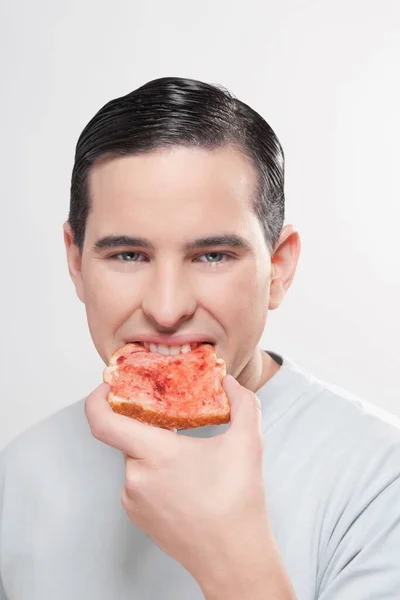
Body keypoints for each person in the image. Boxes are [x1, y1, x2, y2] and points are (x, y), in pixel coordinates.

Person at [0, 77, 399, 600]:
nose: (167, 310)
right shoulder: (17, 474)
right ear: (75, 263)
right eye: (128, 255)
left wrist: (233, 557)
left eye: (212, 255)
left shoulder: (381, 481)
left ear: (277, 269)